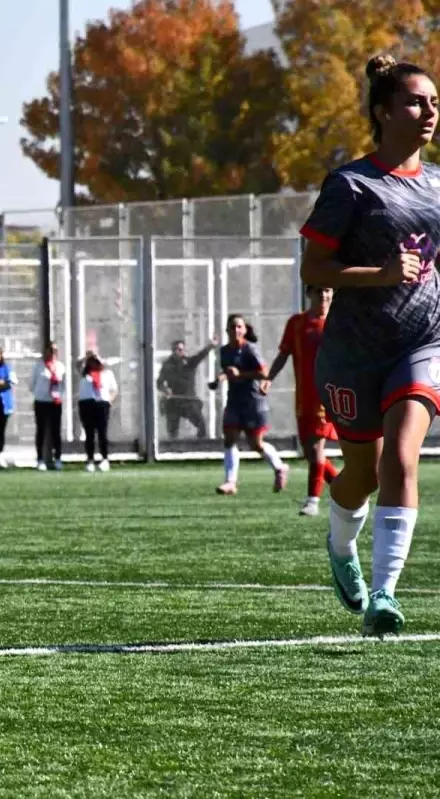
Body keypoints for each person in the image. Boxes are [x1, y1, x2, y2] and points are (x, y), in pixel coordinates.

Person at [298, 54, 440, 637]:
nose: (429, 110)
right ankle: (340, 546)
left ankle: (384, 593)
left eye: (433, 101)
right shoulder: (351, 184)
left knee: (400, 457)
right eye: (415, 100)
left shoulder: (437, 185)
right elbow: (314, 266)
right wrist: (379, 274)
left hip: (423, 341)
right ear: (382, 112)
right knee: (362, 473)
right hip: (353, 351)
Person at [265, 285, 339, 517]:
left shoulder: (338, 323)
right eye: (319, 291)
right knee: (310, 452)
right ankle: (342, 488)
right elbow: (284, 353)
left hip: (326, 396)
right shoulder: (296, 323)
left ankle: (312, 501)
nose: (324, 295)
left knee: (317, 448)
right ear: (309, 294)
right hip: (303, 397)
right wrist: (269, 379)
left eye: (328, 291)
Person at [211, 314, 289, 496]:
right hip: (234, 401)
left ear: (245, 330)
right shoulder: (224, 351)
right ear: (227, 330)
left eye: (239, 327)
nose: (235, 330)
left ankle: (279, 467)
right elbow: (228, 371)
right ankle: (230, 482)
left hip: (253, 402)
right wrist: (219, 379)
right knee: (229, 439)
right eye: (232, 327)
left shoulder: (250, 349)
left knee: (256, 444)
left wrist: (240, 374)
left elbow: (264, 373)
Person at [157, 337, 217, 439]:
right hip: (174, 400)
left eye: (181, 350)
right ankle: (172, 448)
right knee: (172, 431)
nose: (179, 352)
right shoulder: (167, 365)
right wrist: (165, 390)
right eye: (177, 350)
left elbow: (200, 355)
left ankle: (201, 445)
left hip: (188, 401)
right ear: (173, 351)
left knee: (201, 425)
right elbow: (159, 383)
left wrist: (211, 345)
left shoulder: (189, 363)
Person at [76, 351, 117, 472]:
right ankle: (90, 460)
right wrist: (87, 356)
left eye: (96, 361)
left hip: (101, 404)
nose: (94, 363)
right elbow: (77, 364)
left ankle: (104, 459)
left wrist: (109, 400)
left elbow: (114, 389)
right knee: (89, 433)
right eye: (92, 362)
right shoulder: (85, 374)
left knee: (102, 433)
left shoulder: (107, 373)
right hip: (86, 404)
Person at [30, 341, 65, 471]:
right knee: (41, 430)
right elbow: (31, 384)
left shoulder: (61, 366)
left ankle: (58, 459)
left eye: (55, 350)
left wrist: (57, 395)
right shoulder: (38, 366)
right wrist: (42, 393)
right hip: (41, 402)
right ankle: (40, 459)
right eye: (50, 350)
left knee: (56, 431)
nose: (52, 353)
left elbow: (64, 385)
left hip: (55, 402)